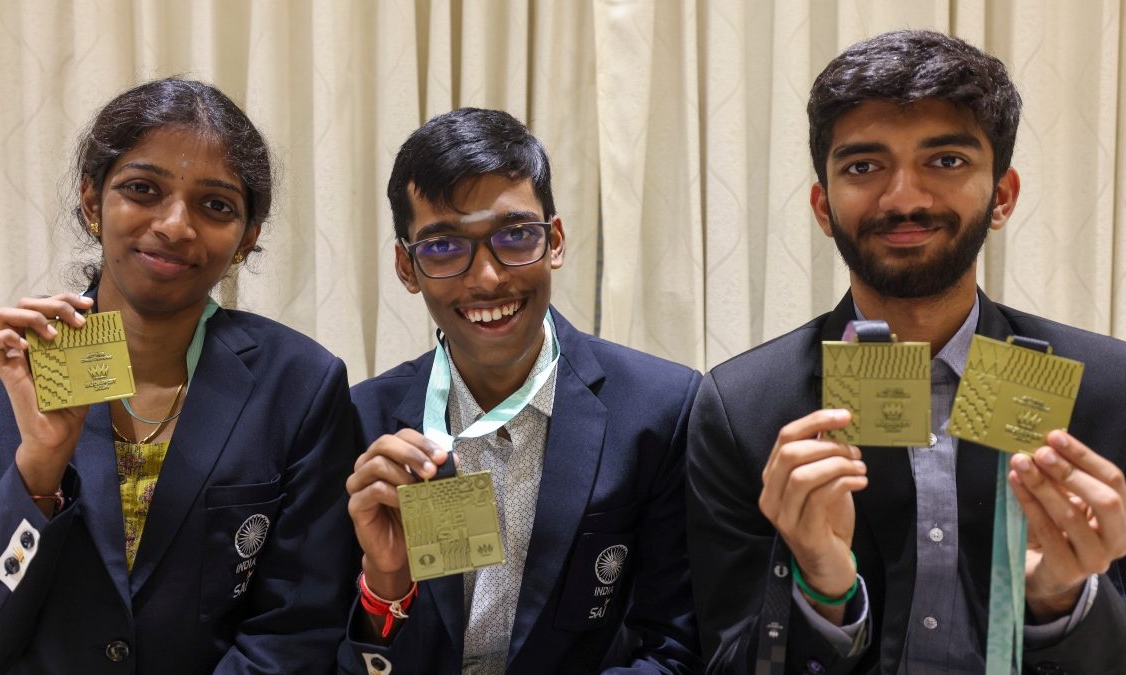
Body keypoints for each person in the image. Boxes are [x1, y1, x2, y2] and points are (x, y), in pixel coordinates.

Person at [687, 30, 1126, 674]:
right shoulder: (742, 408)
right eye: (863, 167)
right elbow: (723, 658)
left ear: (1002, 196)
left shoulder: (1109, 391)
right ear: (823, 206)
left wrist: (1060, 599)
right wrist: (823, 590)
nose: (905, 199)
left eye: (945, 160)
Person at [0, 78, 357, 673]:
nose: (175, 225)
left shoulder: (300, 384)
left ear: (247, 238)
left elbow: (294, 632)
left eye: (216, 205)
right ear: (91, 201)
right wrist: (38, 472)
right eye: (142, 189)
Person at [340, 108, 701, 673]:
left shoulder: (659, 410)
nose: (486, 277)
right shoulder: (359, 423)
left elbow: (674, 650)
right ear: (406, 268)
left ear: (554, 241)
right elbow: (323, 653)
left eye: (515, 235)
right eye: (443, 246)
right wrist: (387, 584)